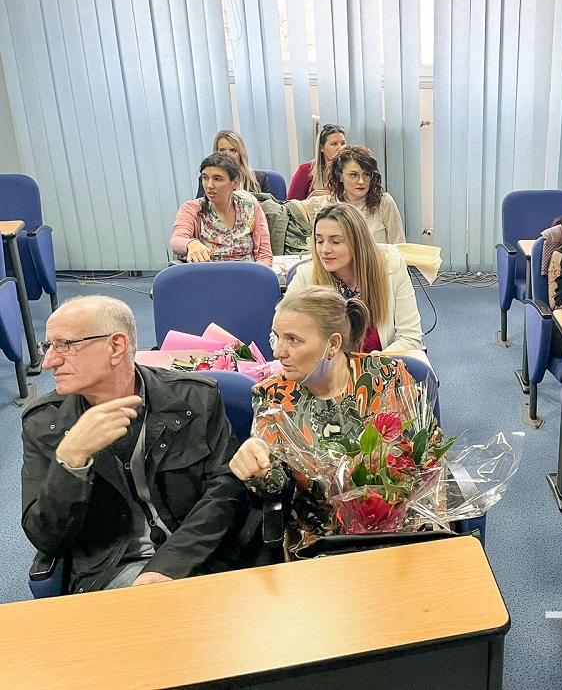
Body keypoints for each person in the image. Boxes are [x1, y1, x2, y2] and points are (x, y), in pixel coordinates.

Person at [20, 296, 248, 593]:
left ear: (116, 346)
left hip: (204, 555)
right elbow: (47, 538)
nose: (49, 361)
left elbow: (225, 492)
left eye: (65, 345)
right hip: (113, 571)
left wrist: (168, 565)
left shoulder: (195, 398)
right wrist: (70, 461)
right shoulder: (43, 424)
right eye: (48, 346)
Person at [229, 286, 419, 560]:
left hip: (397, 532)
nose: (279, 352)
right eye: (277, 337)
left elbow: (423, 459)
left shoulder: (388, 377)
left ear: (333, 344)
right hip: (318, 545)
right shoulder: (273, 395)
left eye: (293, 340)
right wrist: (258, 469)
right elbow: (277, 486)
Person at [286, 203, 423, 353]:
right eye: (319, 241)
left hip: (380, 364)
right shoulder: (306, 276)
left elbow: (411, 338)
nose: (324, 250)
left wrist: (373, 363)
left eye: (335, 242)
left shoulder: (392, 270)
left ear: (358, 243)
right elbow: (279, 336)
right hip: (325, 366)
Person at [171, 152, 273, 266]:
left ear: (235, 183)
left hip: (248, 273)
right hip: (210, 274)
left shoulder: (249, 204)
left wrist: (258, 273)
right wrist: (190, 243)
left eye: (217, 179)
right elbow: (176, 241)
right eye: (205, 178)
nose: (209, 185)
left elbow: (264, 254)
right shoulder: (192, 208)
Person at [328, 145, 405, 244]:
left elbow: (400, 246)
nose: (361, 181)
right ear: (340, 177)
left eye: (366, 174)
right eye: (353, 175)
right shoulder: (332, 206)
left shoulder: (384, 203)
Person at [195, 129, 270, 199]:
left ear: (241, 154)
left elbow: (268, 206)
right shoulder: (207, 178)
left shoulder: (259, 179)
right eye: (222, 151)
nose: (228, 155)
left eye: (233, 151)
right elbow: (200, 205)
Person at [287, 123, 347, 201]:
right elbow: (291, 205)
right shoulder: (306, 170)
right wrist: (311, 198)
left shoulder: (350, 171)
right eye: (334, 144)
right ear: (322, 147)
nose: (340, 148)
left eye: (343, 143)